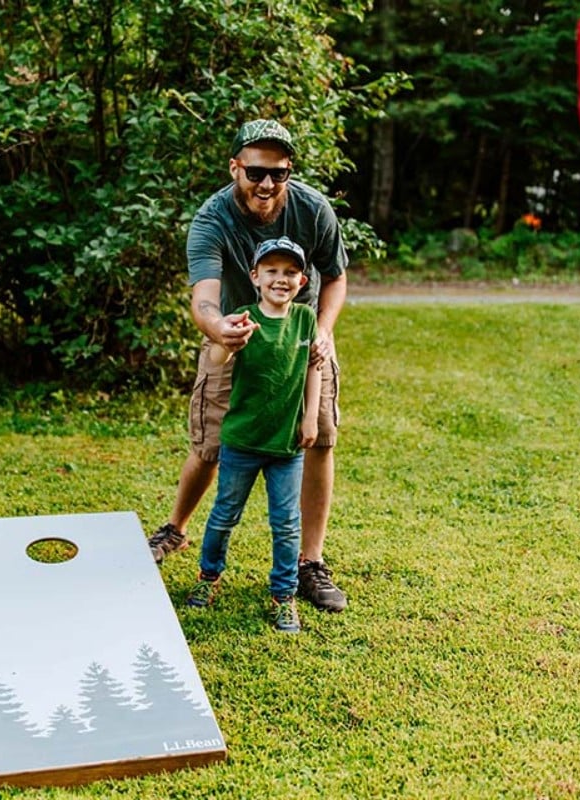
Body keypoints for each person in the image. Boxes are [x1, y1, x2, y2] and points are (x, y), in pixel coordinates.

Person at [148, 118, 349, 613]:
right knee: (211, 441)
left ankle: (310, 564)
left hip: (303, 341)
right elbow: (204, 299)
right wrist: (219, 331)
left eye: (277, 173)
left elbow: (337, 277)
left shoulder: (312, 209)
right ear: (235, 166)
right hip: (236, 338)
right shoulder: (212, 218)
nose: (266, 184)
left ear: (288, 172)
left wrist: (322, 330)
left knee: (318, 437)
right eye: (255, 171)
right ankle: (174, 531)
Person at [185, 237, 321, 633]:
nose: (282, 279)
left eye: (291, 272)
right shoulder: (243, 317)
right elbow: (218, 358)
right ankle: (208, 577)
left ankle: (283, 595)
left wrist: (310, 417)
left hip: (286, 445)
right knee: (225, 514)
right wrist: (225, 340)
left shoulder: (304, 320)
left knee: (287, 523)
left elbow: (313, 368)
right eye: (273, 271)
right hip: (242, 441)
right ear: (255, 276)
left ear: (302, 279)